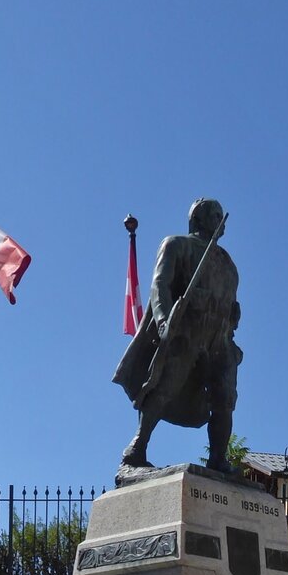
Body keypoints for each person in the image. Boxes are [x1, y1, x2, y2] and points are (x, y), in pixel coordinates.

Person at [112, 198, 242, 472]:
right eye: (214, 215)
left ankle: (218, 457)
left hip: (219, 341)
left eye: (222, 216)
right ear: (197, 219)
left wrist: (233, 320)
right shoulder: (176, 245)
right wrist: (163, 321)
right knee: (163, 386)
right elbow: (160, 286)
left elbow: (230, 306)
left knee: (225, 399)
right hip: (187, 332)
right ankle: (138, 447)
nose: (221, 221)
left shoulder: (229, 267)